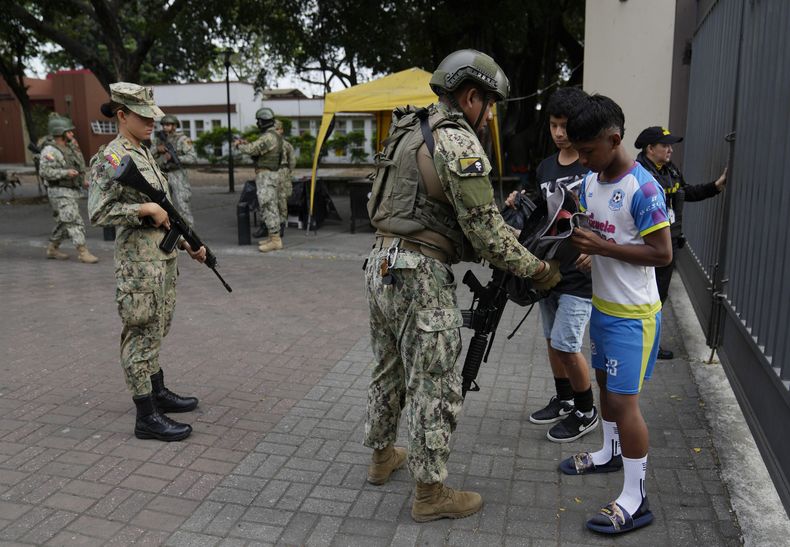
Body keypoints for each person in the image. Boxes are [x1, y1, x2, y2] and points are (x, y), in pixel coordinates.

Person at [363, 49, 561, 523]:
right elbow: (486, 233)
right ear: (471, 97)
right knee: (435, 382)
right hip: (419, 275)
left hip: (381, 263)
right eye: (489, 105)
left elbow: (432, 211)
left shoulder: (409, 129)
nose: (489, 115)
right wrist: (539, 269)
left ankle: (382, 457)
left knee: (388, 368)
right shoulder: (456, 140)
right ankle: (430, 494)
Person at [558, 94, 672, 534]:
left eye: (588, 151)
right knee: (606, 387)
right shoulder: (591, 181)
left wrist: (602, 248)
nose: (583, 160)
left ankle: (636, 499)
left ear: (615, 139)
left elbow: (661, 254)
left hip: (634, 317)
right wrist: (594, 251)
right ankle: (609, 452)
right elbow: (607, 232)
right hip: (602, 308)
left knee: (625, 404)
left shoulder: (645, 189)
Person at [88, 82, 205, 442]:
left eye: (153, 116)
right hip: (138, 267)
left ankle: (157, 391)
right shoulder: (112, 157)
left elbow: (165, 214)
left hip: (161, 260)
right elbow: (98, 211)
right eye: (144, 116)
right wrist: (142, 209)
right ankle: (146, 416)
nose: (152, 122)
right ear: (122, 115)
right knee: (140, 333)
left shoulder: (144, 151)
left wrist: (187, 243)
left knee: (156, 329)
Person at [506, 87, 597, 443]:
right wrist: (519, 202)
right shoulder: (545, 166)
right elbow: (541, 216)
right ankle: (564, 400)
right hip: (548, 271)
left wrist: (600, 249)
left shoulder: (592, 164)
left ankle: (586, 410)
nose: (559, 133)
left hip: (580, 275)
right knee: (551, 340)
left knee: (566, 344)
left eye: (565, 126)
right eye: (553, 125)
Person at [634, 126, 727, 359]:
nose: (670, 149)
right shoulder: (638, 174)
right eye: (665, 145)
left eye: (671, 145)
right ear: (650, 148)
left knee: (659, 295)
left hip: (670, 241)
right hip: (646, 243)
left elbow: (686, 193)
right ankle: (640, 343)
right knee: (643, 295)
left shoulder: (670, 170)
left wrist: (715, 186)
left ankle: (648, 343)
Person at [39, 114, 99, 263]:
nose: (72, 134)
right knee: (73, 219)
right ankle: (83, 252)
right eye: (69, 131)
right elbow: (45, 172)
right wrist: (65, 173)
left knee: (64, 222)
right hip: (59, 192)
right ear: (60, 133)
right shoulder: (50, 151)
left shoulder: (70, 148)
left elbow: (78, 166)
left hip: (72, 190)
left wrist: (83, 181)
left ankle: (52, 249)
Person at [235, 107, 284, 252]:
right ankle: (272, 237)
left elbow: (252, 149)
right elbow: (258, 150)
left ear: (263, 121)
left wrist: (239, 145)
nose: (258, 124)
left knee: (268, 206)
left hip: (266, 176)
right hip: (268, 175)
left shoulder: (269, 137)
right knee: (269, 206)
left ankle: (275, 240)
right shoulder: (273, 136)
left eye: (259, 121)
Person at [151, 114, 197, 226]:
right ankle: (168, 230)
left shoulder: (183, 139)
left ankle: (188, 231)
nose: (165, 127)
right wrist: (158, 149)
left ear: (175, 126)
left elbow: (193, 158)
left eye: (168, 125)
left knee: (182, 205)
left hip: (178, 174)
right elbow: (149, 155)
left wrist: (176, 158)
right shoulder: (158, 140)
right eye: (164, 125)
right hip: (162, 174)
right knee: (163, 205)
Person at [275, 120, 295, 236]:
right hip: (274, 173)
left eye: (278, 129)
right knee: (273, 201)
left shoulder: (286, 145)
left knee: (281, 200)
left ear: (282, 130)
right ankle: (274, 226)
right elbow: (292, 162)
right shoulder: (285, 144)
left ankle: (281, 225)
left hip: (281, 172)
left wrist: (288, 173)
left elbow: (292, 162)